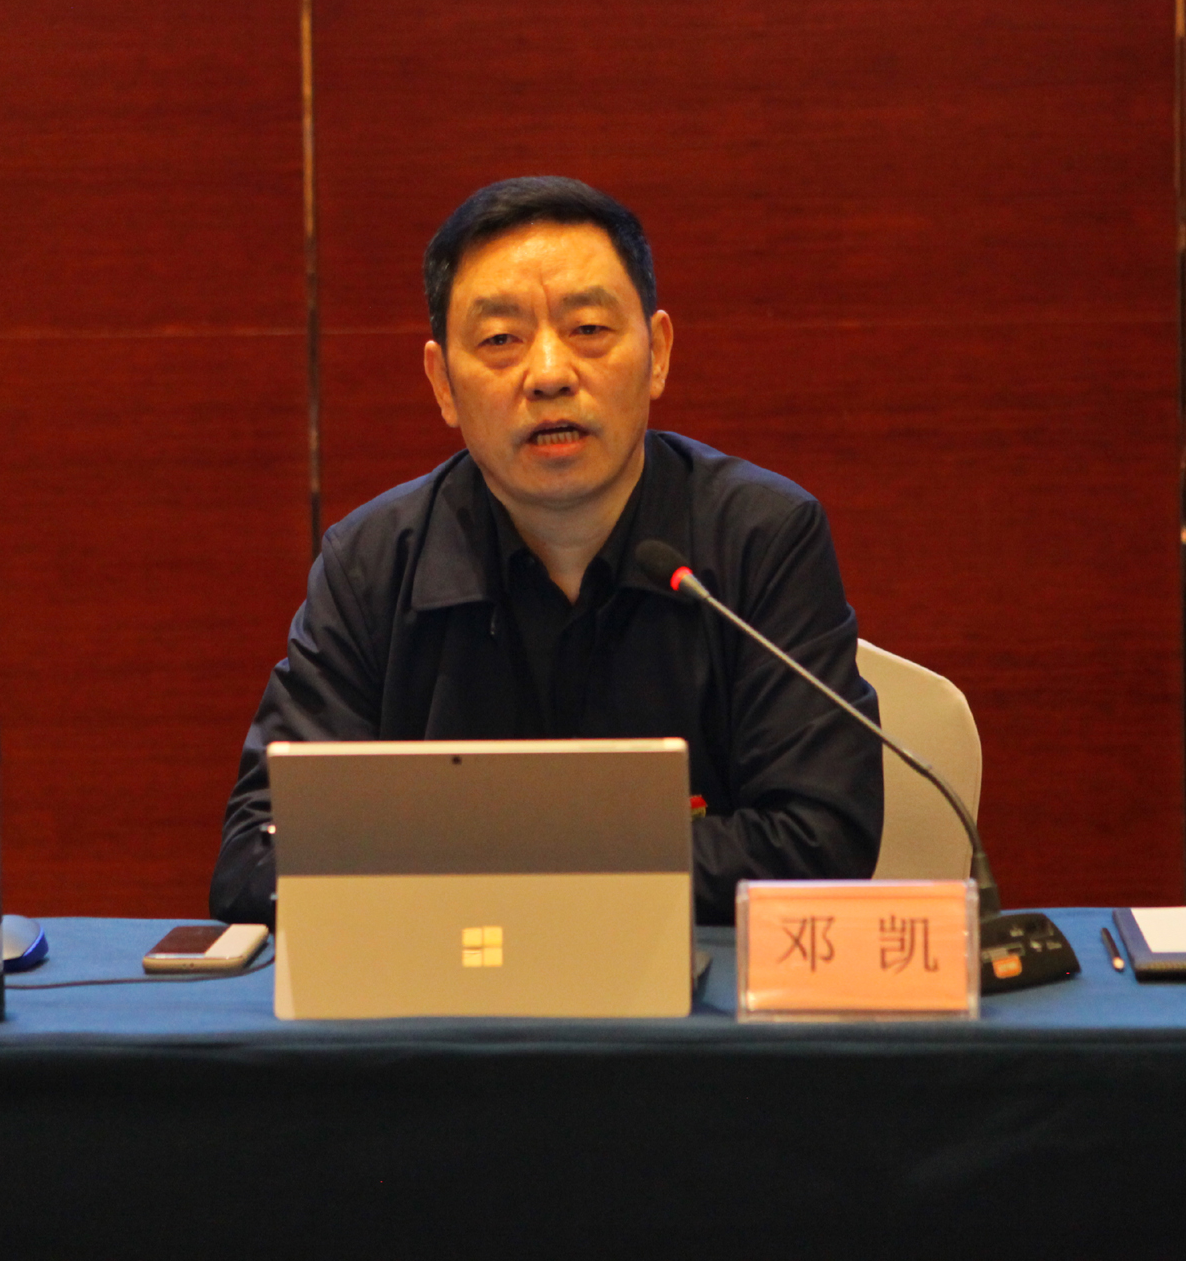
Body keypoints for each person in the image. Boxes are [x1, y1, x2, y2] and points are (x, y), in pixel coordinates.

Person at [209, 176, 881, 926]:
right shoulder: (371, 565)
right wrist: (565, 872)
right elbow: (255, 855)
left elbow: (823, 837)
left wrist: (491, 870)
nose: (551, 374)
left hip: (685, 993)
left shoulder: (762, 538)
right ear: (442, 383)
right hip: (446, 992)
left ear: (657, 353)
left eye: (588, 328)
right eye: (501, 340)